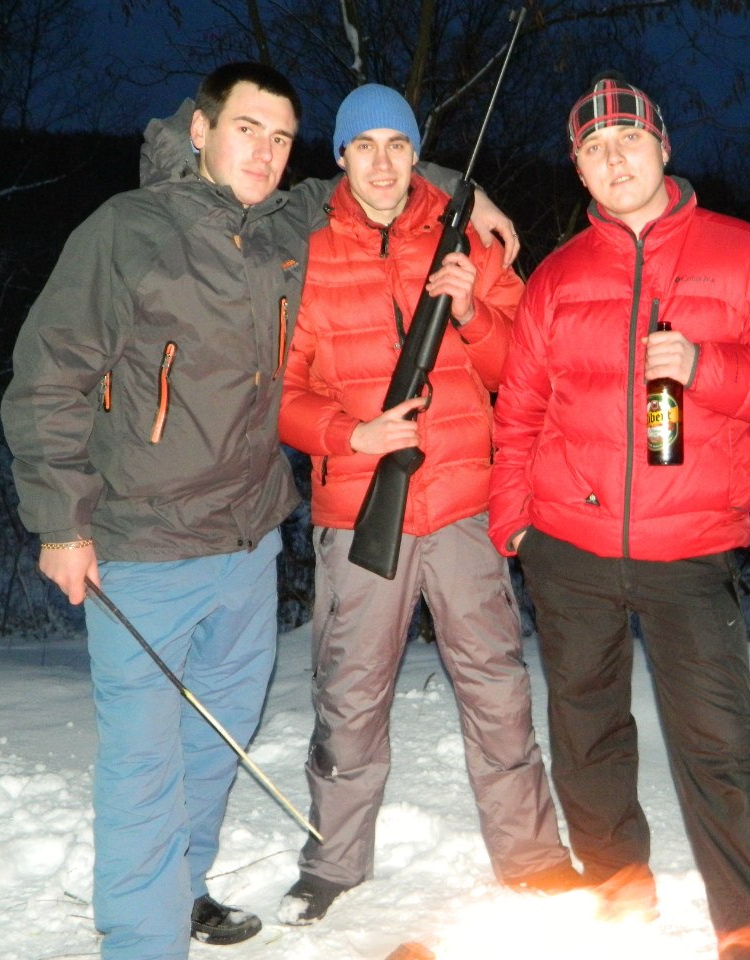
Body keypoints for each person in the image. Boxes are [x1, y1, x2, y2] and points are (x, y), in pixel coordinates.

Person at [1, 63, 517, 960]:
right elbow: (48, 379)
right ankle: (142, 939)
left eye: (280, 138)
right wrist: (61, 523)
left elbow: (372, 176)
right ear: (201, 131)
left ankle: (186, 885)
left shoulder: (283, 223)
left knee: (219, 739)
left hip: (248, 544)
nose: (265, 152)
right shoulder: (127, 229)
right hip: (141, 544)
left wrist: (462, 190)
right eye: (247, 130)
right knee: (143, 757)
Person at [487, 74, 750, 960]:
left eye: (629, 141)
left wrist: (706, 367)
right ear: (578, 169)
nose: (614, 161)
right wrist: (516, 526)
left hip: (691, 550)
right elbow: (518, 409)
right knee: (587, 736)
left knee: (720, 749)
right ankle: (619, 899)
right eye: (594, 149)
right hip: (569, 548)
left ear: (664, 146)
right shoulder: (558, 276)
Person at [276, 84, 578, 927]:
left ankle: (533, 856)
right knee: (350, 692)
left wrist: (474, 311)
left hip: (464, 508)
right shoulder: (304, 254)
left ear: (417, 155)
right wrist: (353, 435)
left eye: (398, 145)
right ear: (340, 156)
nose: (382, 163)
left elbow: (525, 373)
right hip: (358, 512)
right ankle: (333, 862)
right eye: (364, 145)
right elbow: (279, 395)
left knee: (497, 685)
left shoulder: (470, 238)